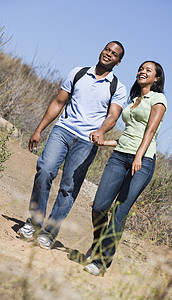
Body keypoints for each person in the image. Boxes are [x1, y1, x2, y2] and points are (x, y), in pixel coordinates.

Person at [17, 41, 127, 250]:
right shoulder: (78, 73)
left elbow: (113, 116)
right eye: (107, 50)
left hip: (87, 142)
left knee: (68, 187)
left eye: (114, 54)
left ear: (118, 62)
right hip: (62, 131)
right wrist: (39, 130)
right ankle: (34, 222)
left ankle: (49, 233)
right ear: (101, 50)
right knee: (45, 170)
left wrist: (101, 131)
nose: (108, 54)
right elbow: (58, 102)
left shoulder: (117, 88)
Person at [83, 60, 167, 276]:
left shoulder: (158, 99)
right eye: (141, 68)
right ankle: (98, 243)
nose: (142, 71)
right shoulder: (133, 101)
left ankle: (102, 262)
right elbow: (129, 135)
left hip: (143, 161)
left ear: (156, 78)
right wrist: (107, 142)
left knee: (120, 211)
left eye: (148, 70)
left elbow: (149, 131)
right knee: (99, 206)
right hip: (120, 157)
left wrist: (139, 156)